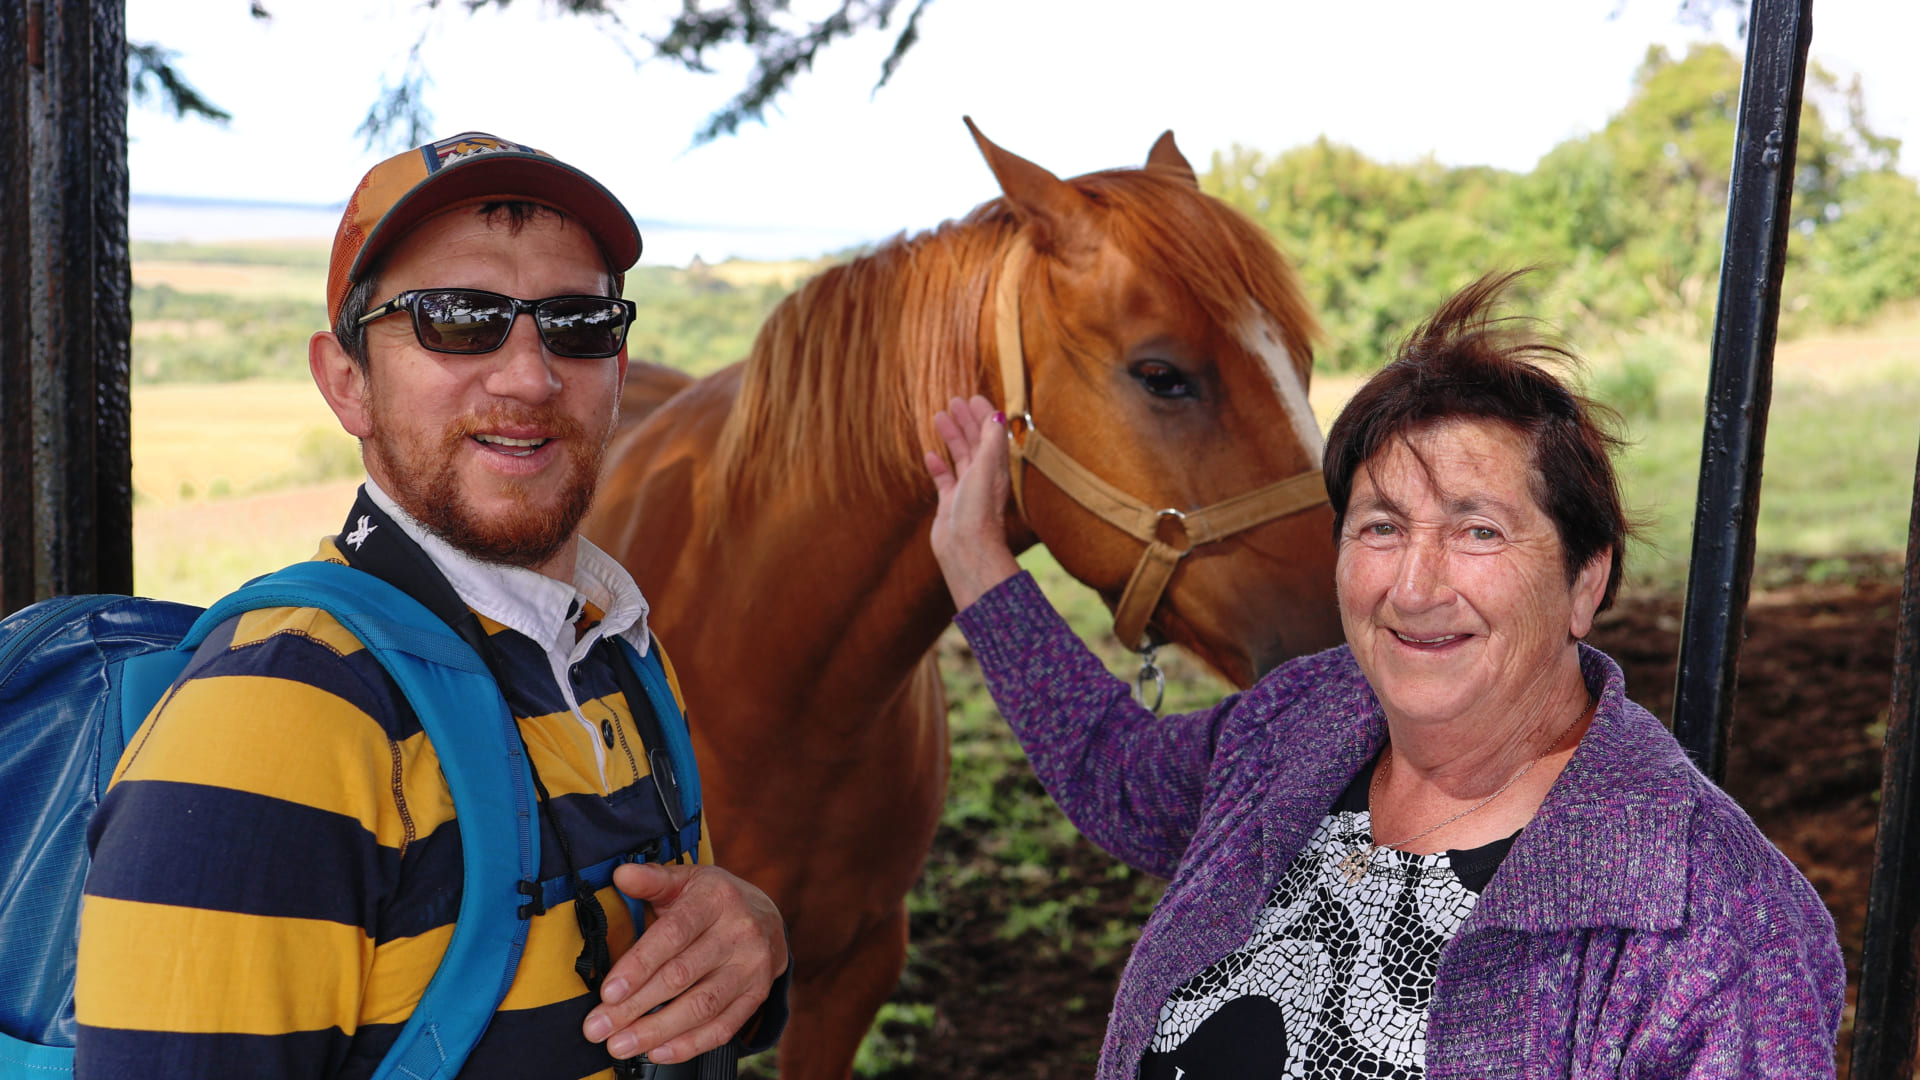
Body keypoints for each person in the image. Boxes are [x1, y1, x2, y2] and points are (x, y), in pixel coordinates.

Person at [922, 272, 1845, 1078]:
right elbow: (1116, 774)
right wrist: (974, 556)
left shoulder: (1715, 920)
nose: (1414, 585)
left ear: (1585, 579)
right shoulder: (1300, 722)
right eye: (1381, 526)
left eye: (1478, 530)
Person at [75, 132, 789, 1079]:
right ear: (347, 382)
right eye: (459, 319)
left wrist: (756, 944)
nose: (530, 376)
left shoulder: (615, 654)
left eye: (576, 323)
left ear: (618, 371)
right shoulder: (280, 711)